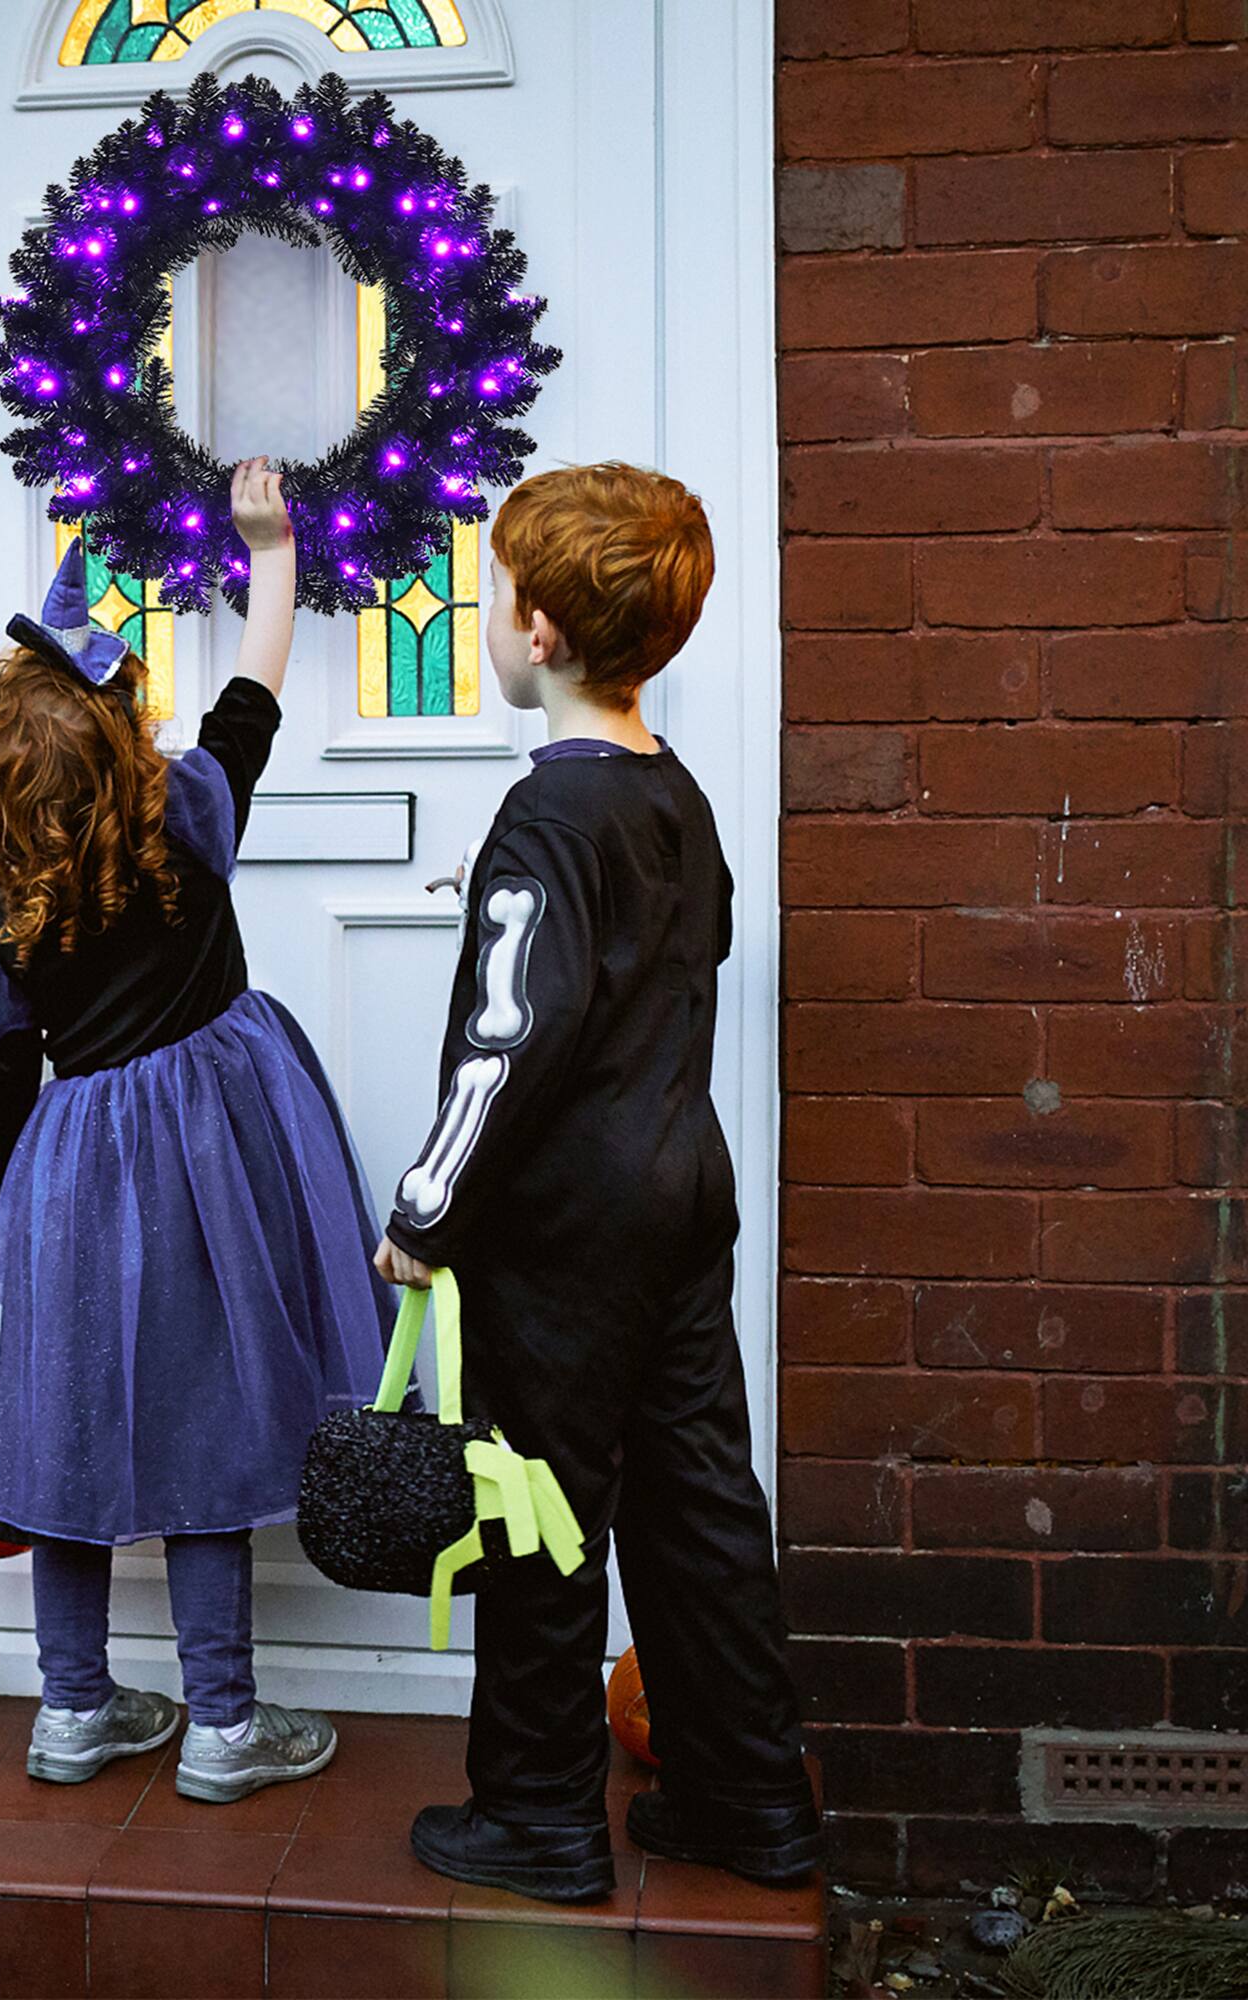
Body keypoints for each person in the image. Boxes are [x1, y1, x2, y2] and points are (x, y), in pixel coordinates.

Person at [375, 462, 820, 1902]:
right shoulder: (666, 793)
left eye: (495, 594)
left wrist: (426, 1214)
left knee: (537, 1511)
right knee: (695, 1499)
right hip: (682, 1198)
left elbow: (510, 1041)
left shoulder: (544, 820)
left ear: (542, 632)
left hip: (562, 1236)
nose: (488, 616)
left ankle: (538, 1819)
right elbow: (680, 947)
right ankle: (750, 1800)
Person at [0, 458, 393, 1804]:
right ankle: (223, 1727)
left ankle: (71, 1710)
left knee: (61, 1430)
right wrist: (273, 549)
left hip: (73, 1180)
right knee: (205, 1431)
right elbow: (254, 694)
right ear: (128, 745)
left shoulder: (9, 923)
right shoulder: (188, 823)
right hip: (215, 1171)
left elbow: (0, 1088)